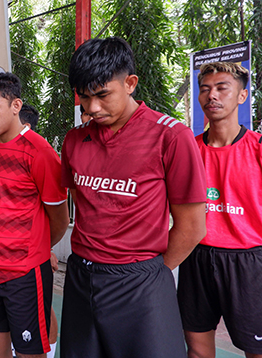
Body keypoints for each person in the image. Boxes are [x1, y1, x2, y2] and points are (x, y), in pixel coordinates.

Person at [59, 37, 207, 358]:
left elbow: (193, 226)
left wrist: (149, 274)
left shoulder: (170, 136)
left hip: (141, 281)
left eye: (102, 95)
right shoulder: (74, 140)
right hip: (81, 277)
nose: (92, 108)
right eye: (84, 97)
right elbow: (80, 205)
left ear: (130, 83)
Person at [0, 73, 69, 358]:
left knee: (30, 352)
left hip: (24, 273)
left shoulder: (39, 152)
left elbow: (59, 219)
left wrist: (38, 248)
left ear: (16, 105)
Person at [177, 62, 262, 358]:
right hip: (196, 257)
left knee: (257, 350)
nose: (212, 95)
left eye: (222, 88)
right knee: (198, 350)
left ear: (242, 96)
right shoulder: (188, 149)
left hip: (248, 262)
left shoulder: (258, 147)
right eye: (205, 89)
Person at [18, 103, 61, 358]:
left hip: (37, 253)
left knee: (44, 309)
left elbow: (56, 214)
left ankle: (51, 351)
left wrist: (48, 249)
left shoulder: (42, 154)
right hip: (11, 257)